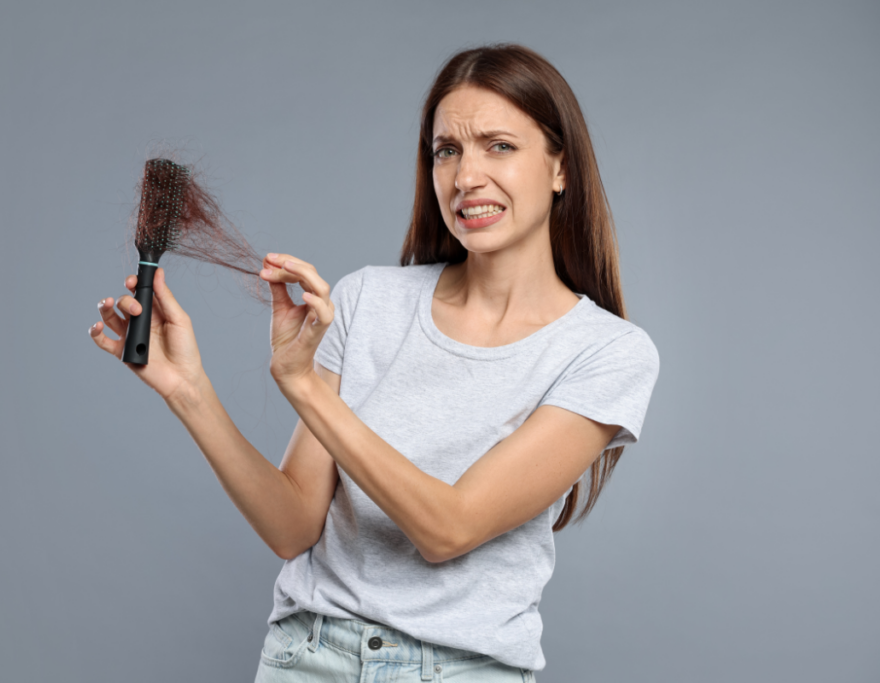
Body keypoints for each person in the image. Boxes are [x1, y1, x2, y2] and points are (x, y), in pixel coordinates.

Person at [90, 43, 659, 682]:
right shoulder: (367, 300)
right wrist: (188, 390)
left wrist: (305, 387)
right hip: (306, 657)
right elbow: (292, 527)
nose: (467, 176)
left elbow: (449, 528)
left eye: (499, 145)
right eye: (447, 150)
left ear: (560, 167)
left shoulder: (606, 353)